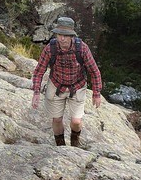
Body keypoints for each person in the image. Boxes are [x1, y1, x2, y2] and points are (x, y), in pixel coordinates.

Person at [30, 16, 102, 147]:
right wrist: (36, 93)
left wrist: (96, 94)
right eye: (59, 35)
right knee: (57, 119)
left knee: (76, 121)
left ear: (71, 36)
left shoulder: (82, 49)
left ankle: (75, 142)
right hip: (56, 85)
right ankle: (61, 146)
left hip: (77, 86)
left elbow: (94, 71)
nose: (62, 38)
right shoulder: (50, 49)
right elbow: (39, 71)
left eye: (65, 35)